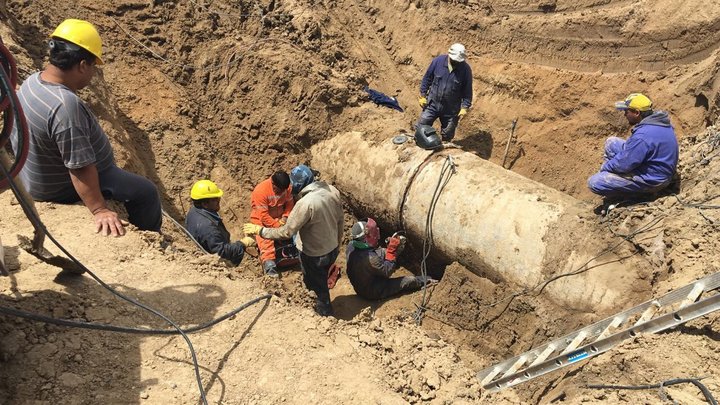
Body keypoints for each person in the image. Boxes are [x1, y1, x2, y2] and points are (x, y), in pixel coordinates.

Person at [9, 19, 161, 236]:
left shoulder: (34, 81)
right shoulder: (65, 106)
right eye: (92, 67)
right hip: (58, 187)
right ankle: (154, 238)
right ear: (81, 66)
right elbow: (79, 166)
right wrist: (99, 209)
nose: (93, 74)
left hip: (36, 176)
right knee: (146, 192)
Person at [243, 165, 344, 316]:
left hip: (312, 253)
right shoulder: (332, 191)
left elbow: (287, 231)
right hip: (331, 246)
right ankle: (271, 270)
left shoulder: (304, 204)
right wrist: (338, 243)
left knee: (316, 285)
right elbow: (340, 220)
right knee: (267, 245)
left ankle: (323, 314)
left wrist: (267, 229)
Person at [587, 93, 679, 200]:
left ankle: (637, 196)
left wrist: (605, 168)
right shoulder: (658, 122)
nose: (624, 114)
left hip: (653, 180)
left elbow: (624, 164)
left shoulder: (643, 136)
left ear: (636, 113)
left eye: (627, 111)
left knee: (594, 182)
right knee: (611, 142)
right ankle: (619, 181)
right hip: (657, 169)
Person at [346, 218, 435, 300]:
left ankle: (392, 256)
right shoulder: (371, 259)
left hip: (361, 284)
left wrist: (388, 250)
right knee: (409, 280)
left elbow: (374, 253)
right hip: (372, 291)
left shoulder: (351, 245)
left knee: (383, 252)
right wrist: (391, 251)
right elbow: (387, 271)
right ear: (366, 237)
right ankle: (426, 280)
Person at [185, 180, 256, 266]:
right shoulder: (208, 227)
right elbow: (221, 253)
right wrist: (243, 244)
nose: (219, 200)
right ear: (204, 204)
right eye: (214, 199)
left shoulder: (194, 211)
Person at [416, 43, 473, 142]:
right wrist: (423, 95)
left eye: (458, 61)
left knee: (448, 134)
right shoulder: (438, 62)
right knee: (421, 128)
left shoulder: (465, 70)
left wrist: (464, 108)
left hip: (451, 110)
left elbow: (467, 92)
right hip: (432, 104)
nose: (456, 62)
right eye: (454, 60)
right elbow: (427, 79)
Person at [250, 171, 295, 277]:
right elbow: (263, 216)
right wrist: (278, 228)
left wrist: (285, 217)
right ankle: (269, 265)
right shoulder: (261, 191)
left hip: (280, 217)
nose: (281, 194)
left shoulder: (287, 188)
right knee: (266, 239)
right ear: (273, 185)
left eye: (283, 191)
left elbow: (289, 204)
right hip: (261, 219)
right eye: (279, 191)